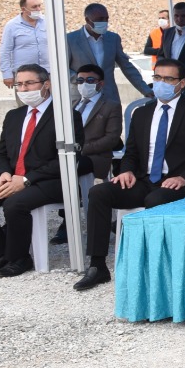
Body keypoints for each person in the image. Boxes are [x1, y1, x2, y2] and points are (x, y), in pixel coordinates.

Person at [75, 58, 185, 291]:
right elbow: (131, 152)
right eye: (157, 77)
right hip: (143, 180)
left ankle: (155, 268)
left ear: (182, 83)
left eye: (169, 79)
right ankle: (97, 265)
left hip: (178, 184)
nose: (161, 83)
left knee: (156, 200)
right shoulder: (142, 113)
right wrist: (126, 170)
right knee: (99, 193)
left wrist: (184, 177)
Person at [0, 65, 85, 276]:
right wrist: (4, 174)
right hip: (13, 177)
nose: (24, 89)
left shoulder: (66, 116)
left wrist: (26, 179)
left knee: (15, 204)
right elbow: (1, 153)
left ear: (46, 84)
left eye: (29, 83)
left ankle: (19, 258)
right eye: (19, 84)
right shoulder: (14, 116)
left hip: (49, 181)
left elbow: (66, 159)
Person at [50, 63, 124, 244]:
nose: (84, 84)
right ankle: (67, 213)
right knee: (54, 166)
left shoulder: (111, 106)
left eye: (90, 80)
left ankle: (68, 222)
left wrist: (79, 149)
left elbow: (112, 138)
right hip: (72, 155)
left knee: (71, 167)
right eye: (80, 80)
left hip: (95, 157)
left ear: (101, 83)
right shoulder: (72, 105)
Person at [66, 3, 152, 107]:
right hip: (81, 99)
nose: (104, 22)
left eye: (106, 19)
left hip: (109, 98)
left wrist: (146, 90)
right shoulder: (70, 40)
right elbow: (62, 69)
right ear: (88, 20)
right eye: (100, 19)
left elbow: (127, 66)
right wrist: (84, 80)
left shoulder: (113, 39)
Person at [0, 0, 49, 89]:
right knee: (26, 98)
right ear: (23, 9)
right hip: (24, 77)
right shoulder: (12, 26)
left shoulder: (47, 22)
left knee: (50, 98)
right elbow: (5, 51)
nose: (38, 9)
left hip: (47, 73)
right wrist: (7, 74)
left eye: (39, 6)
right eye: (34, 7)